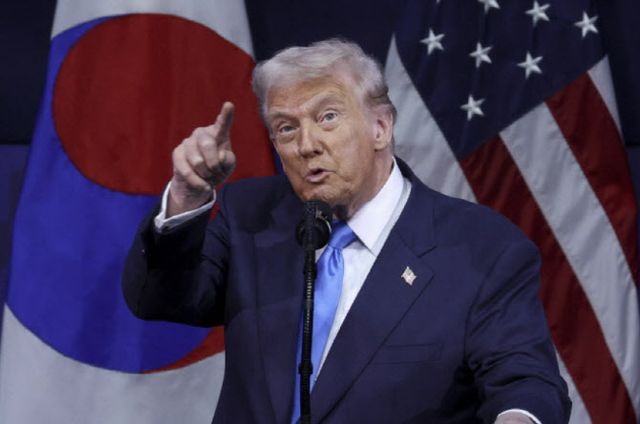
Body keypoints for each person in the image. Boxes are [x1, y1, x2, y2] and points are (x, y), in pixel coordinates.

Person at [122, 39, 570, 423]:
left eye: (328, 117)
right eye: (286, 127)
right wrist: (187, 195)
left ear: (381, 127)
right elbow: (156, 299)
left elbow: (525, 382)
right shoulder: (251, 216)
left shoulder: (482, 250)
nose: (307, 145)